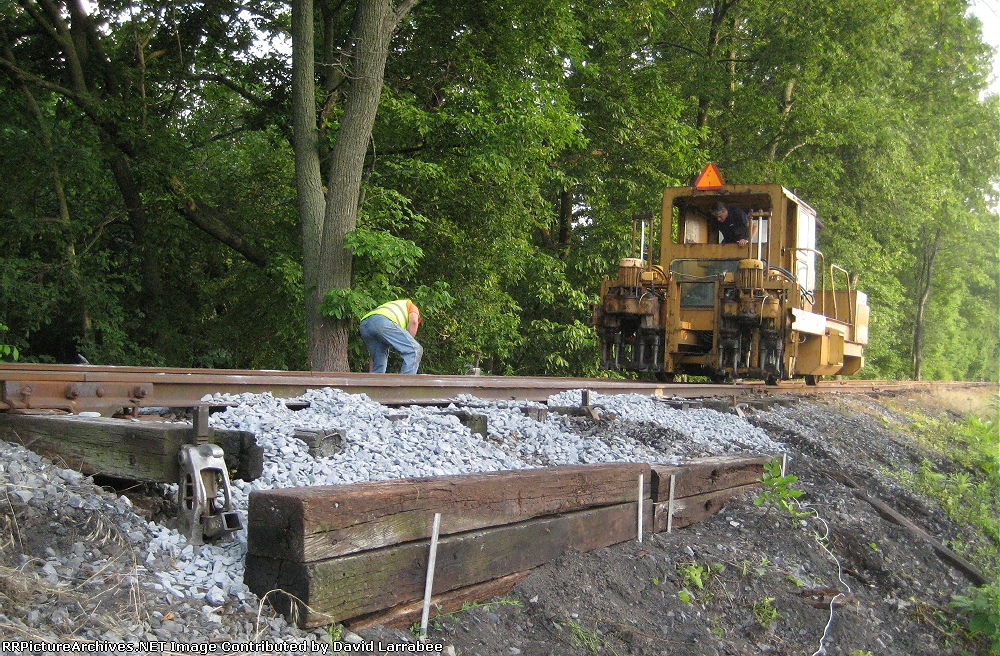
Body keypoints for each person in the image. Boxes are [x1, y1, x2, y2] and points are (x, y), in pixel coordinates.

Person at [359, 299, 423, 374]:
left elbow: (373, 359)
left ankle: (373, 384)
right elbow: (414, 322)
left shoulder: (393, 306)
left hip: (364, 325)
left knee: (378, 361)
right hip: (382, 322)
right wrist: (408, 343)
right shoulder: (411, 305)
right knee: (414, 350)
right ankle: (406, 384)